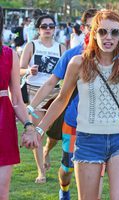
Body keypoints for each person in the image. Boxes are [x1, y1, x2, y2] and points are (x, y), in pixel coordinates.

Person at [31, 10, 119, 199]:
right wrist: (39, 130)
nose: (108, 37)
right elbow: (61, 99)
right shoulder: (78, 62)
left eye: (115, 32)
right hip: (89, 141)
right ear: (93, 33)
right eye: (102, 31)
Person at [27, 8, 98, 199]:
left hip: (100, 126)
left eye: (99, 27)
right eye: (92, 27)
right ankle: (64, 190)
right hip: (73, 121)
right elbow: (51, 83)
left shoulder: (112, 55)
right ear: (83, 29)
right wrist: (31, 106)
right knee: (67, 168)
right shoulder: (72, 55)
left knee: (96, 173)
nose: (96, 32)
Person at [20, 14, 66, 184]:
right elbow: (19, 69)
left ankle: (47, 150)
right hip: (34, 91)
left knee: (54, 134)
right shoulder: (32, 46)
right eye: (44, 26)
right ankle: (41, 171)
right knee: (36, 132)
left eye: (51, 26)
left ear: (55, 29)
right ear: (38, 29)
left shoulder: (61, 48)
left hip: (55, 94)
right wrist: (28, 71)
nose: (48, 29)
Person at [0, 6, 38, 200]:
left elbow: (16, 98)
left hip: (3, 125)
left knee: (1, 192)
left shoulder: (9, 54)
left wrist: (29, 126)